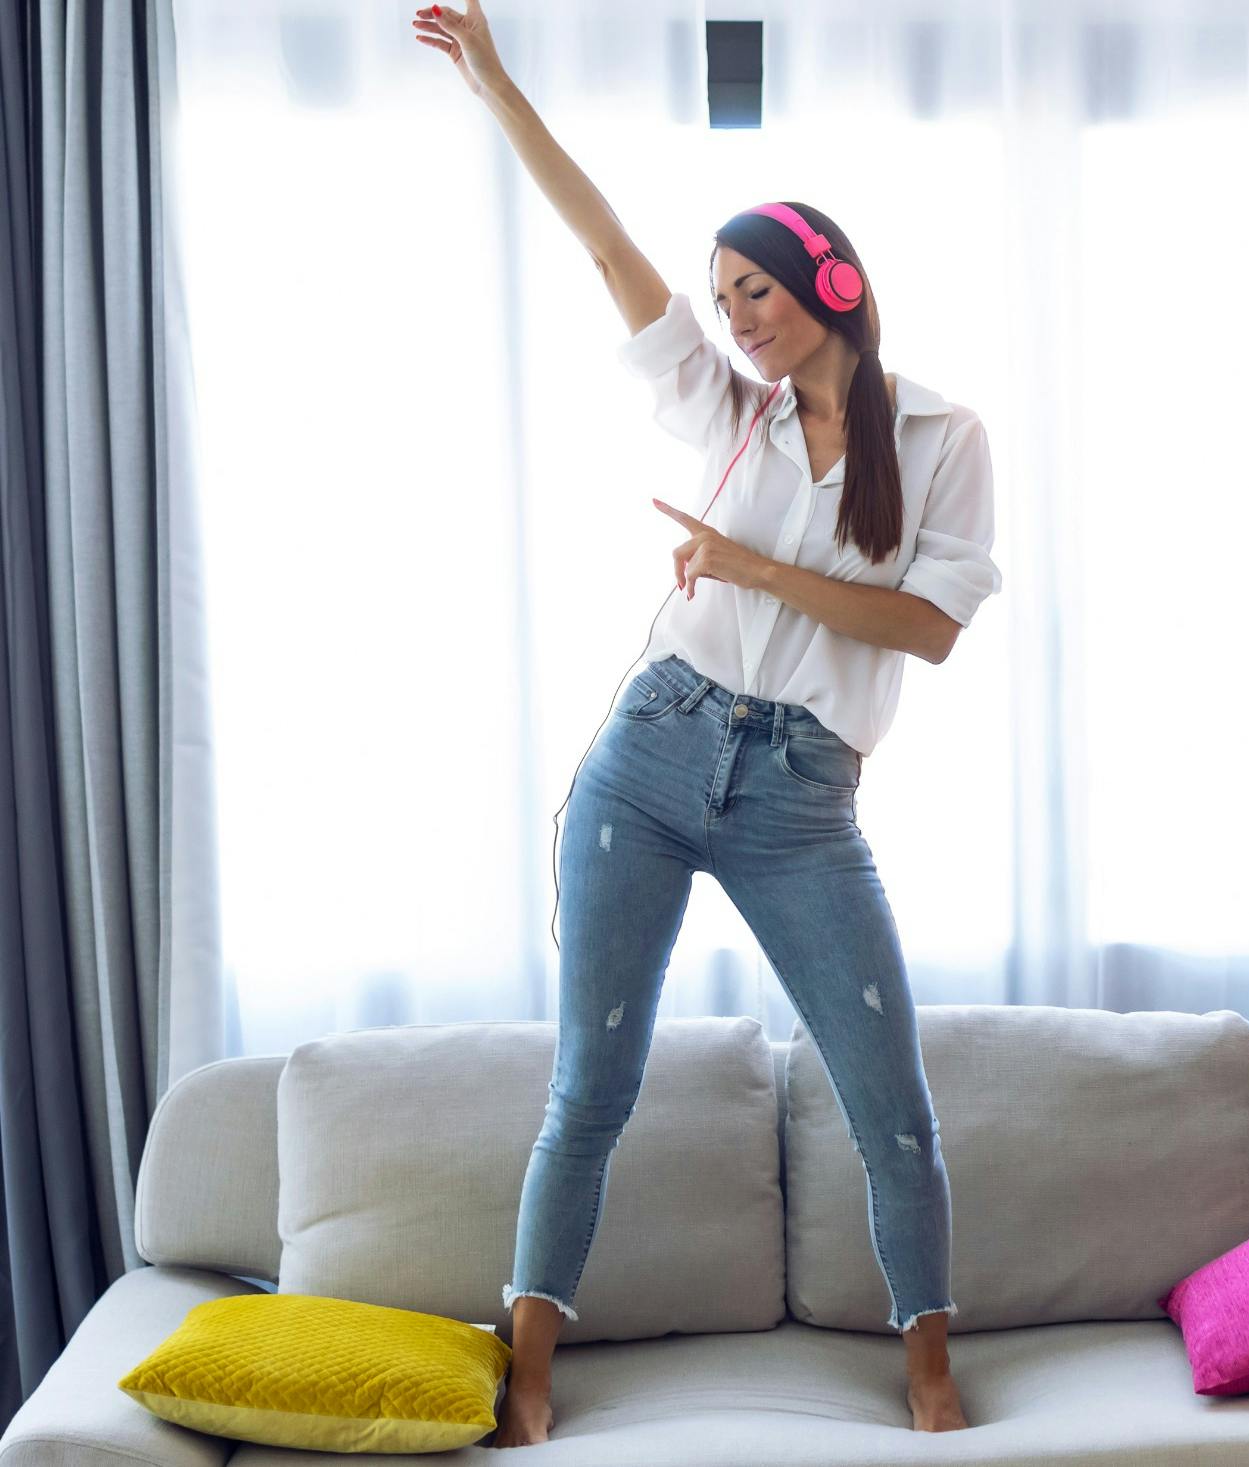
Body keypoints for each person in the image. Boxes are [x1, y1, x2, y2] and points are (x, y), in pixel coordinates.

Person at [412, 1, 1001, 1445]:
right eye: (724, 292)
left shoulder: (940, 441)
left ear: (833, 287)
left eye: (757, 289)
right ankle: (530, 1351)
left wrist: (752, 568)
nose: (734, 315)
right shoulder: (716, 409)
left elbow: (928, 630)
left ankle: (927, 1358)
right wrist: (496, 82)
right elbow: (603, 242)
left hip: (805, 794)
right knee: (590, 1089)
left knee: (893, 1104)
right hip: (653, 757)